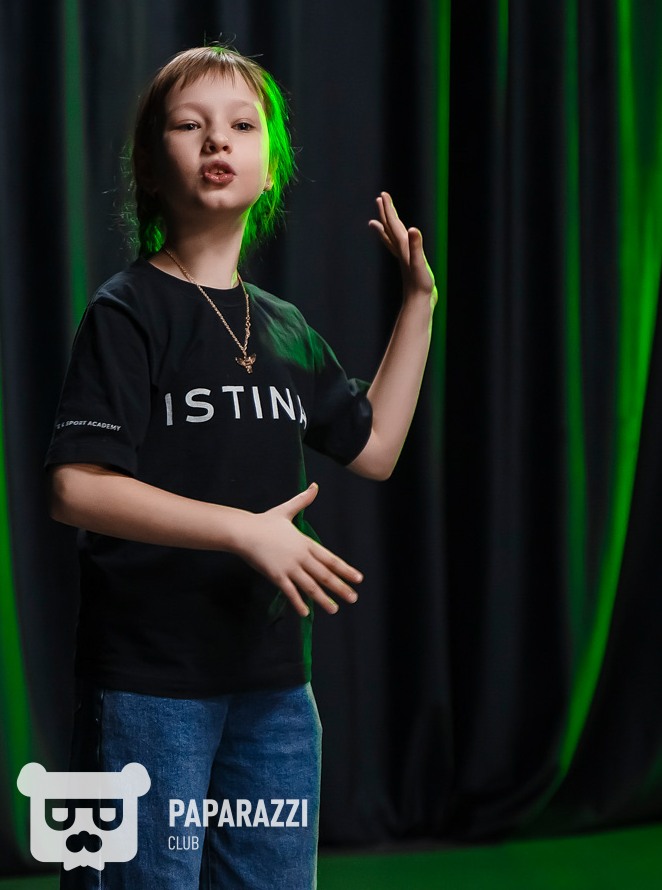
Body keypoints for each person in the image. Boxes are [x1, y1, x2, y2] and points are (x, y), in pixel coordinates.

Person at [44, 44, 437, 888]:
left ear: (271, 171)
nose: (217, 140)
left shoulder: (283, 326)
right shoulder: (127, 311)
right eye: (190, 125)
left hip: (274, 693)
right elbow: (76, 487)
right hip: (148, 689)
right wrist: (242, 532)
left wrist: (419, 305)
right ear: (151, 169)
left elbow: (375, 448)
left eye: (242, 126)